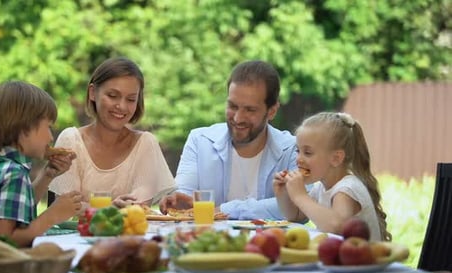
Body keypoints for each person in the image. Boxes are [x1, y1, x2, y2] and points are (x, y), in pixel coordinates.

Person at [160, 60, 299, 220]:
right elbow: (184, 193)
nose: (238, 118)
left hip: (273, 243)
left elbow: (298, 208)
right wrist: (180, 202)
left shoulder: (293, 149)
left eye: (250, 110)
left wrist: (224, 210)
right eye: (233, 106)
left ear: (272, 111)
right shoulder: (199, 141)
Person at [49, 57, 176, 208]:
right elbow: (65, 207)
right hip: (78, 232)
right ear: (92, 93)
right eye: (112, 96)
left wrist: (97, 209)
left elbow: (138, 204)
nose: (121, 106)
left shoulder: (145, 143)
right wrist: (111, 209)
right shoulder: (71, 140)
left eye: (130, 99)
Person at [0, 81, 82, 247]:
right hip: (4, 270)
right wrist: (52, 215)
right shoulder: (13, 173)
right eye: (48, 127)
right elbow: (2, 241)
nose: (51, 137)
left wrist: (47, 175)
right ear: (24, 128)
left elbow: (16, 208)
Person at [273, 112, 391, 241]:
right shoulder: (321, 188)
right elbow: (295, 216)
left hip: (362, 260)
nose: (298, 159)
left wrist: (300, 196)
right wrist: (283, 193)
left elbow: (337, 226)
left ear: (336, 158)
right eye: (298, 151)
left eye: (307, 152)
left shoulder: (347, 189)